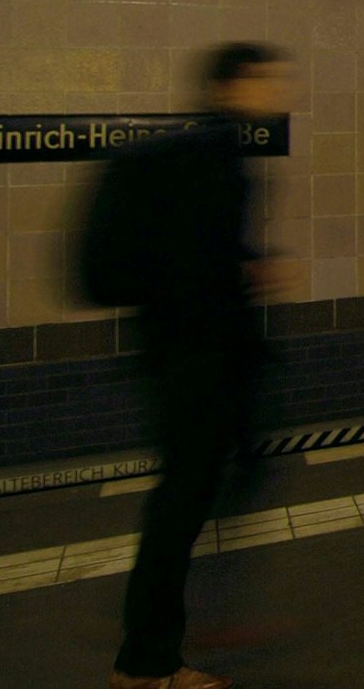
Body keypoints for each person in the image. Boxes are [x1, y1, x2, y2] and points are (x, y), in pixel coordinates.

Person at [90, 42, 294, 689]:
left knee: (184, 502)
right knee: (179, 509)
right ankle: (147, 663)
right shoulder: (214, 157)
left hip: (181, 357)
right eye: (268, 80)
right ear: (235, 85)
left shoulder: (207, 153)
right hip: (200, 364)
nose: (277, 92)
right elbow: (202, 268)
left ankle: (154, 652)